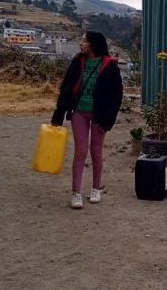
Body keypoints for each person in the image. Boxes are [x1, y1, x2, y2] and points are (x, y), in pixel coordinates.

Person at [51, 31, 123, 209]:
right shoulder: (78, 62)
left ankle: (95, 189)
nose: (80, 44)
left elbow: (116, 96)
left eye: (84, 41)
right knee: (80, 152)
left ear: (93, 44)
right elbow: (66, 88)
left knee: (96, 151)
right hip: (79, 112)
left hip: (100, 116)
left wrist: (107, 120)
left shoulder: (110, 66)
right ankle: (76, 193)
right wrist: (58, 115)